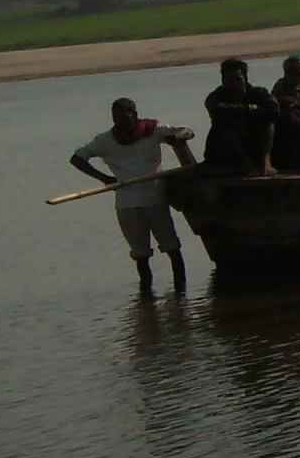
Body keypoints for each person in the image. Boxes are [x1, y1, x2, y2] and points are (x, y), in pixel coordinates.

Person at [70, 98, 196, 292]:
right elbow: (77, 158)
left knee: (172, 249)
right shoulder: (105, 140)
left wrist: (176, 138)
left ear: (135, 115)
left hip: (156, 200)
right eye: (115, 118)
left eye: (124, 117)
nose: (119, 123)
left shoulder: (152, 129)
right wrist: (104, 178)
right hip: (127, 205)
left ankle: (180, 295)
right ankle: (146, 294)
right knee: (141, 255)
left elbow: (188, 131)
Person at [200, 57, 278, 173]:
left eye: (237, 79)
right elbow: (218, 111)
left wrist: (247, 111)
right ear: (223, 80)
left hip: (252, 143)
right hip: (225, 147)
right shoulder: (215, 97)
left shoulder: (259, 93)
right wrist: (250, 109)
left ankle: (265, 162)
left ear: (245, 78)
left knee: (268, 123)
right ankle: (245, 165)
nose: (234, 84)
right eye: (229, 80)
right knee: (227, 124)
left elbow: (274, 111)